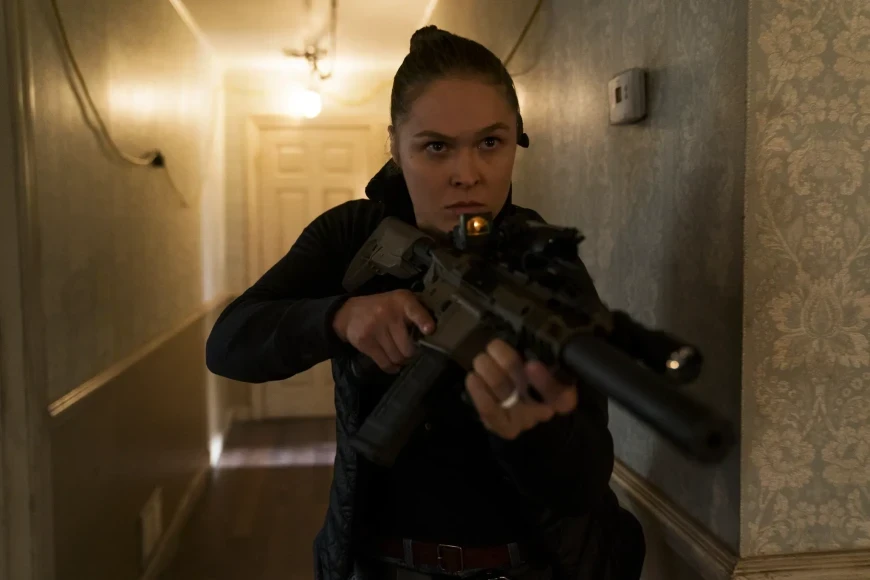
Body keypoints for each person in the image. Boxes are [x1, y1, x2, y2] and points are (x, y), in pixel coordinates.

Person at [206, 25, 645, 580]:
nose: (467, 175)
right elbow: (229, 343)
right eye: (436, 146)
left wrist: (535, 431)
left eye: (490, 143)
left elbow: (581, 483)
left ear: (517, 138)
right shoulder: (353, 236)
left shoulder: (544, 264)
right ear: (395, 145)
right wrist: (340, 317)